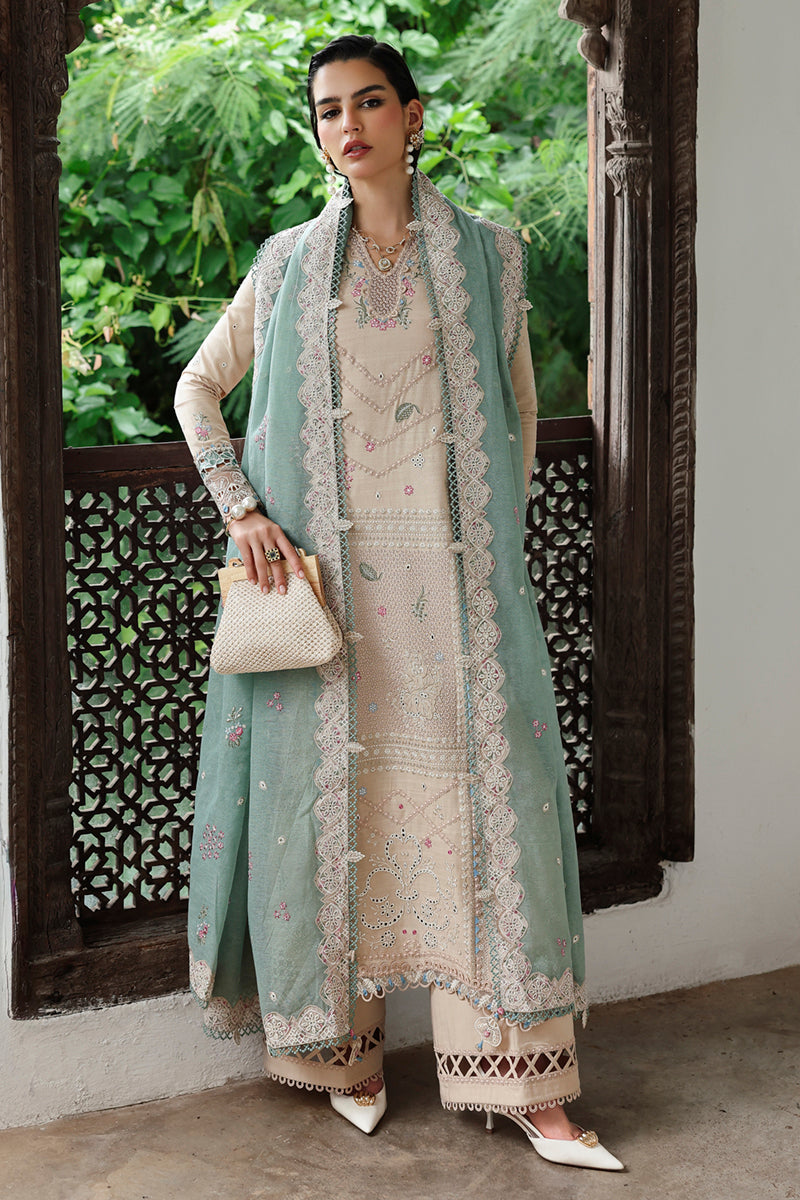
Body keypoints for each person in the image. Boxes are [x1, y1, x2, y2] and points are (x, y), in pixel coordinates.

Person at [174, 34, 623, 1171]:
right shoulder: (286, 263)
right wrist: (241, 510)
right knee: (342, 808)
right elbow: (197, 389)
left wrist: (491, 565)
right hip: (333, 602)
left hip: (454, 596)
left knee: (487, 814)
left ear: (411, 116)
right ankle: (347, 1055)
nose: (348, 126)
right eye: (328, 111)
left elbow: (516, 421)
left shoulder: (490, 258)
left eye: (369, 102)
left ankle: (528, 1086)